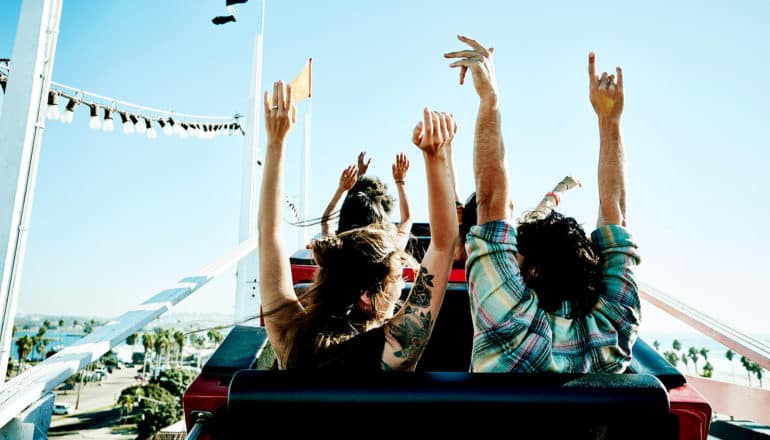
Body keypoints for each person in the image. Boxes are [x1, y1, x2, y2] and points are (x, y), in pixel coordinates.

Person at [445, 35, 641, 373]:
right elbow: (617, 217)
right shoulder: (614, 330)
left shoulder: (508, 323)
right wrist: (610, 121)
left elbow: (491, 202)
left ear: (533, 269)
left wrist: (489, 98)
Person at [257, 78, 458, 370]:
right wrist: (436, 156)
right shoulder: (394, 348)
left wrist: (276, 141)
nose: (401, 288)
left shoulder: (289, 335)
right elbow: (444, 245)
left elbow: (269, 235)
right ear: (367, 295)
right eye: (397, 281)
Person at [320, 152, 413, 251]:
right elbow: (407, 219)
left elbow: (326, 222)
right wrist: (400, 181)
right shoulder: (389, 250)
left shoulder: (334, 251)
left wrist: (341, 189)